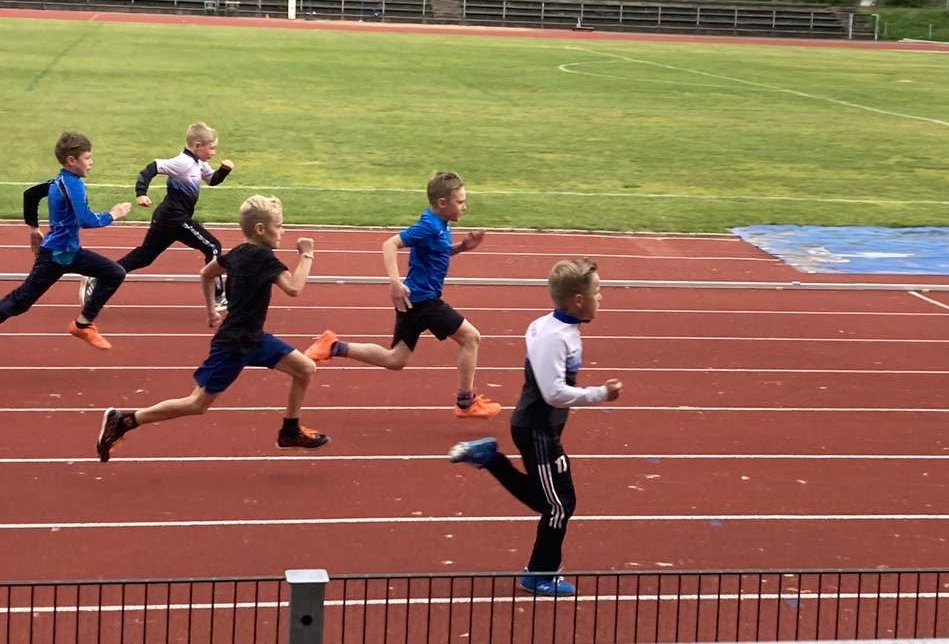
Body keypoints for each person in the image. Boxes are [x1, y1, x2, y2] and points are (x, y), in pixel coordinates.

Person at [96, 195, 328, 462]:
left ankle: (290, 431)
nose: (283, 231)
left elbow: (206, 274)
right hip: (235, 344)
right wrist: (307, 254)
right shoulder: (262, 257)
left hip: (253, 338)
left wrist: (211, 309)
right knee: (197, 403)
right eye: (279, 226)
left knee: (305, 368)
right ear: (260, 229)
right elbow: (294, 288)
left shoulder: (236, 253)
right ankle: (125, 420)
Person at [447, 258, 622, 597]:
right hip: (537, 429)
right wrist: (600, 394)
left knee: (551, 501)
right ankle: (539, 574)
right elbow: (553, 393)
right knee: (559, 505)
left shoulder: (552, 327)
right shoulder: (555, 337)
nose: (601, 297)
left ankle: (491, 459)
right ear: (578, 300)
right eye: (597, 291)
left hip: (541, 426)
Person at [304, 170, 500, 419]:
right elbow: (390, 244)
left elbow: (436, 252)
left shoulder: (440, 223)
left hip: (414, 302)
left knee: (395, 359)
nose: (465, 207)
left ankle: (334, 346)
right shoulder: (429, 225)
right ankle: (465, 402)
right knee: (471, 338)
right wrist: (395, 283)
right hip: (423, 300)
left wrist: (462, 247)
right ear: (443, 203)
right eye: (460, 202)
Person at [80, 121, 233, 312]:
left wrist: (224, 170)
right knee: (213, 247)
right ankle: (217, 296)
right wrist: (141, 193)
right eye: (212, 148)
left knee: (143, 257)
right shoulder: (183, 162)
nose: (214, 152)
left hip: (166, 218)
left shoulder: (199, 163)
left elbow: (212, 180)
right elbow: (150, 169)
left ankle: (100, 276)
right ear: (197, 146)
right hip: (175, 218)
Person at [0, 131, 131, 349]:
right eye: (87, 157)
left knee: (115, 272)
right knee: (20, 301)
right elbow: (85, 219)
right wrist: (113, 214)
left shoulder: (58, 180)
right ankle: (83, 324)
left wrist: (34, 228)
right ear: (72, 160)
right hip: (55, 255)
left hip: (70, 253)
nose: (91, 162)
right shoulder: (73, 184)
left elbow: (30, 194)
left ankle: (83, 325)